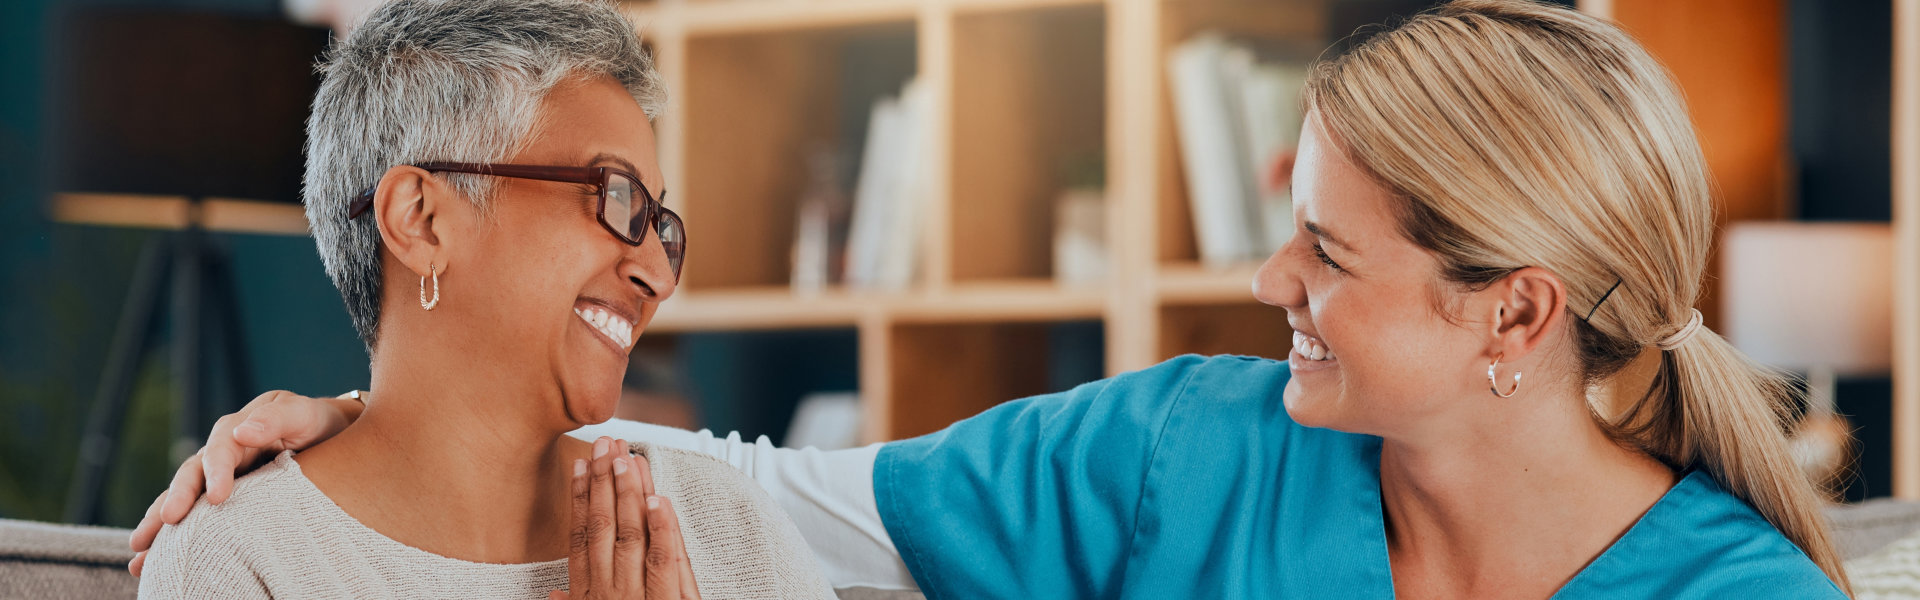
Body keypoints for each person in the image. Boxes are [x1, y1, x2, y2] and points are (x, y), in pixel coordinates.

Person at [133, 1, 1851, 597]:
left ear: (1517, 317)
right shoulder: (1191, 448)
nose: (1270, 286)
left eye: (1329, 253)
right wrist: (389, 424)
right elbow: (769, 492)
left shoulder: (1738, 599)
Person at [132, 0, 835, 598]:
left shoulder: (729, 525)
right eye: (615, 197)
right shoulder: (240, 563)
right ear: (421, 220)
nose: (658, 272)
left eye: (660, 224)